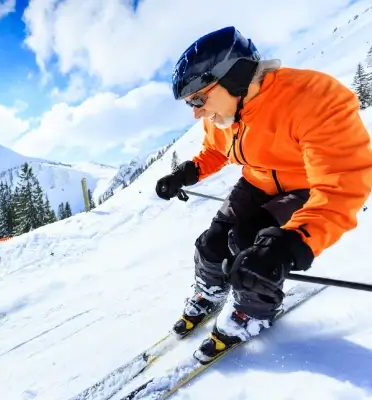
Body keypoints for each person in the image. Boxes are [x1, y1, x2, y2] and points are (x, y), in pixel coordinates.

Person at [155, 26, 372, 362]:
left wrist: (291, 244)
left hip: (305, 186)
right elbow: (216, 150)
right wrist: (185, 173)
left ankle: (252, 311)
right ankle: (210, 291)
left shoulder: (313, 98)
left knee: (251, 244)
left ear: (235, 76)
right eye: (190, 104)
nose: (196, 112)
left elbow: (341, 183)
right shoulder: (220, 115)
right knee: (212, 241)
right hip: (257, 181)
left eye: (199, 99)